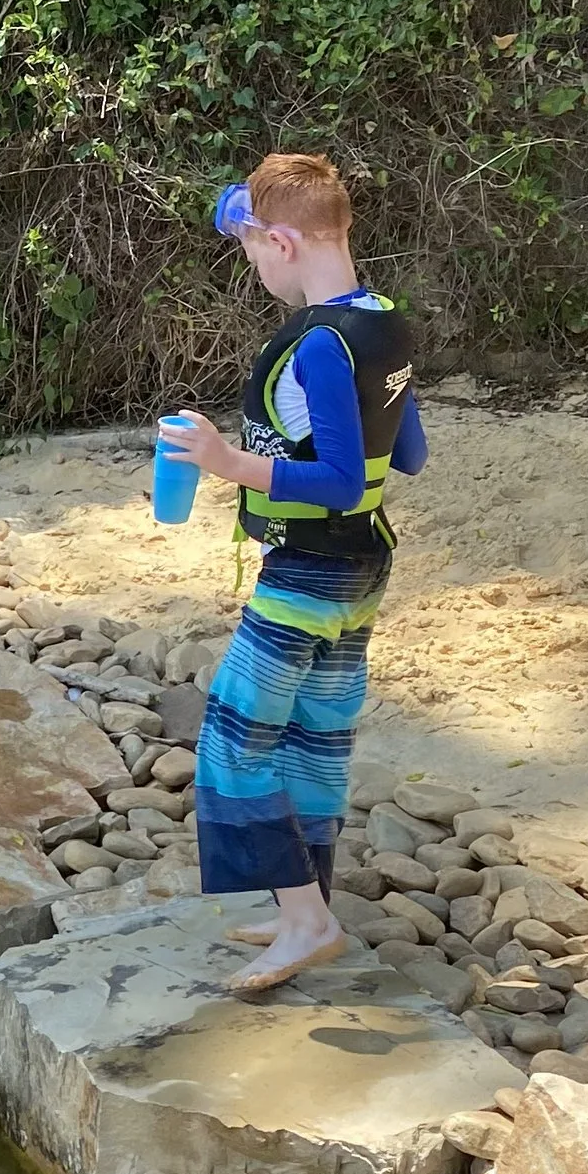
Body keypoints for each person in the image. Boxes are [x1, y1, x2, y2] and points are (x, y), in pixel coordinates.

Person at [164, 153, 427, 994]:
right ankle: (302, 906)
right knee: (317, 738)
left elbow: (341, 480)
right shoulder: (384, 321)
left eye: (252, 254)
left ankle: (308, 921)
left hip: (309, 571)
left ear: (282, 242)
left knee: (236, 743)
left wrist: (223, 460)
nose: (256, 272)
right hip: (365, 565)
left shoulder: (316, 343)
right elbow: (408, 454)